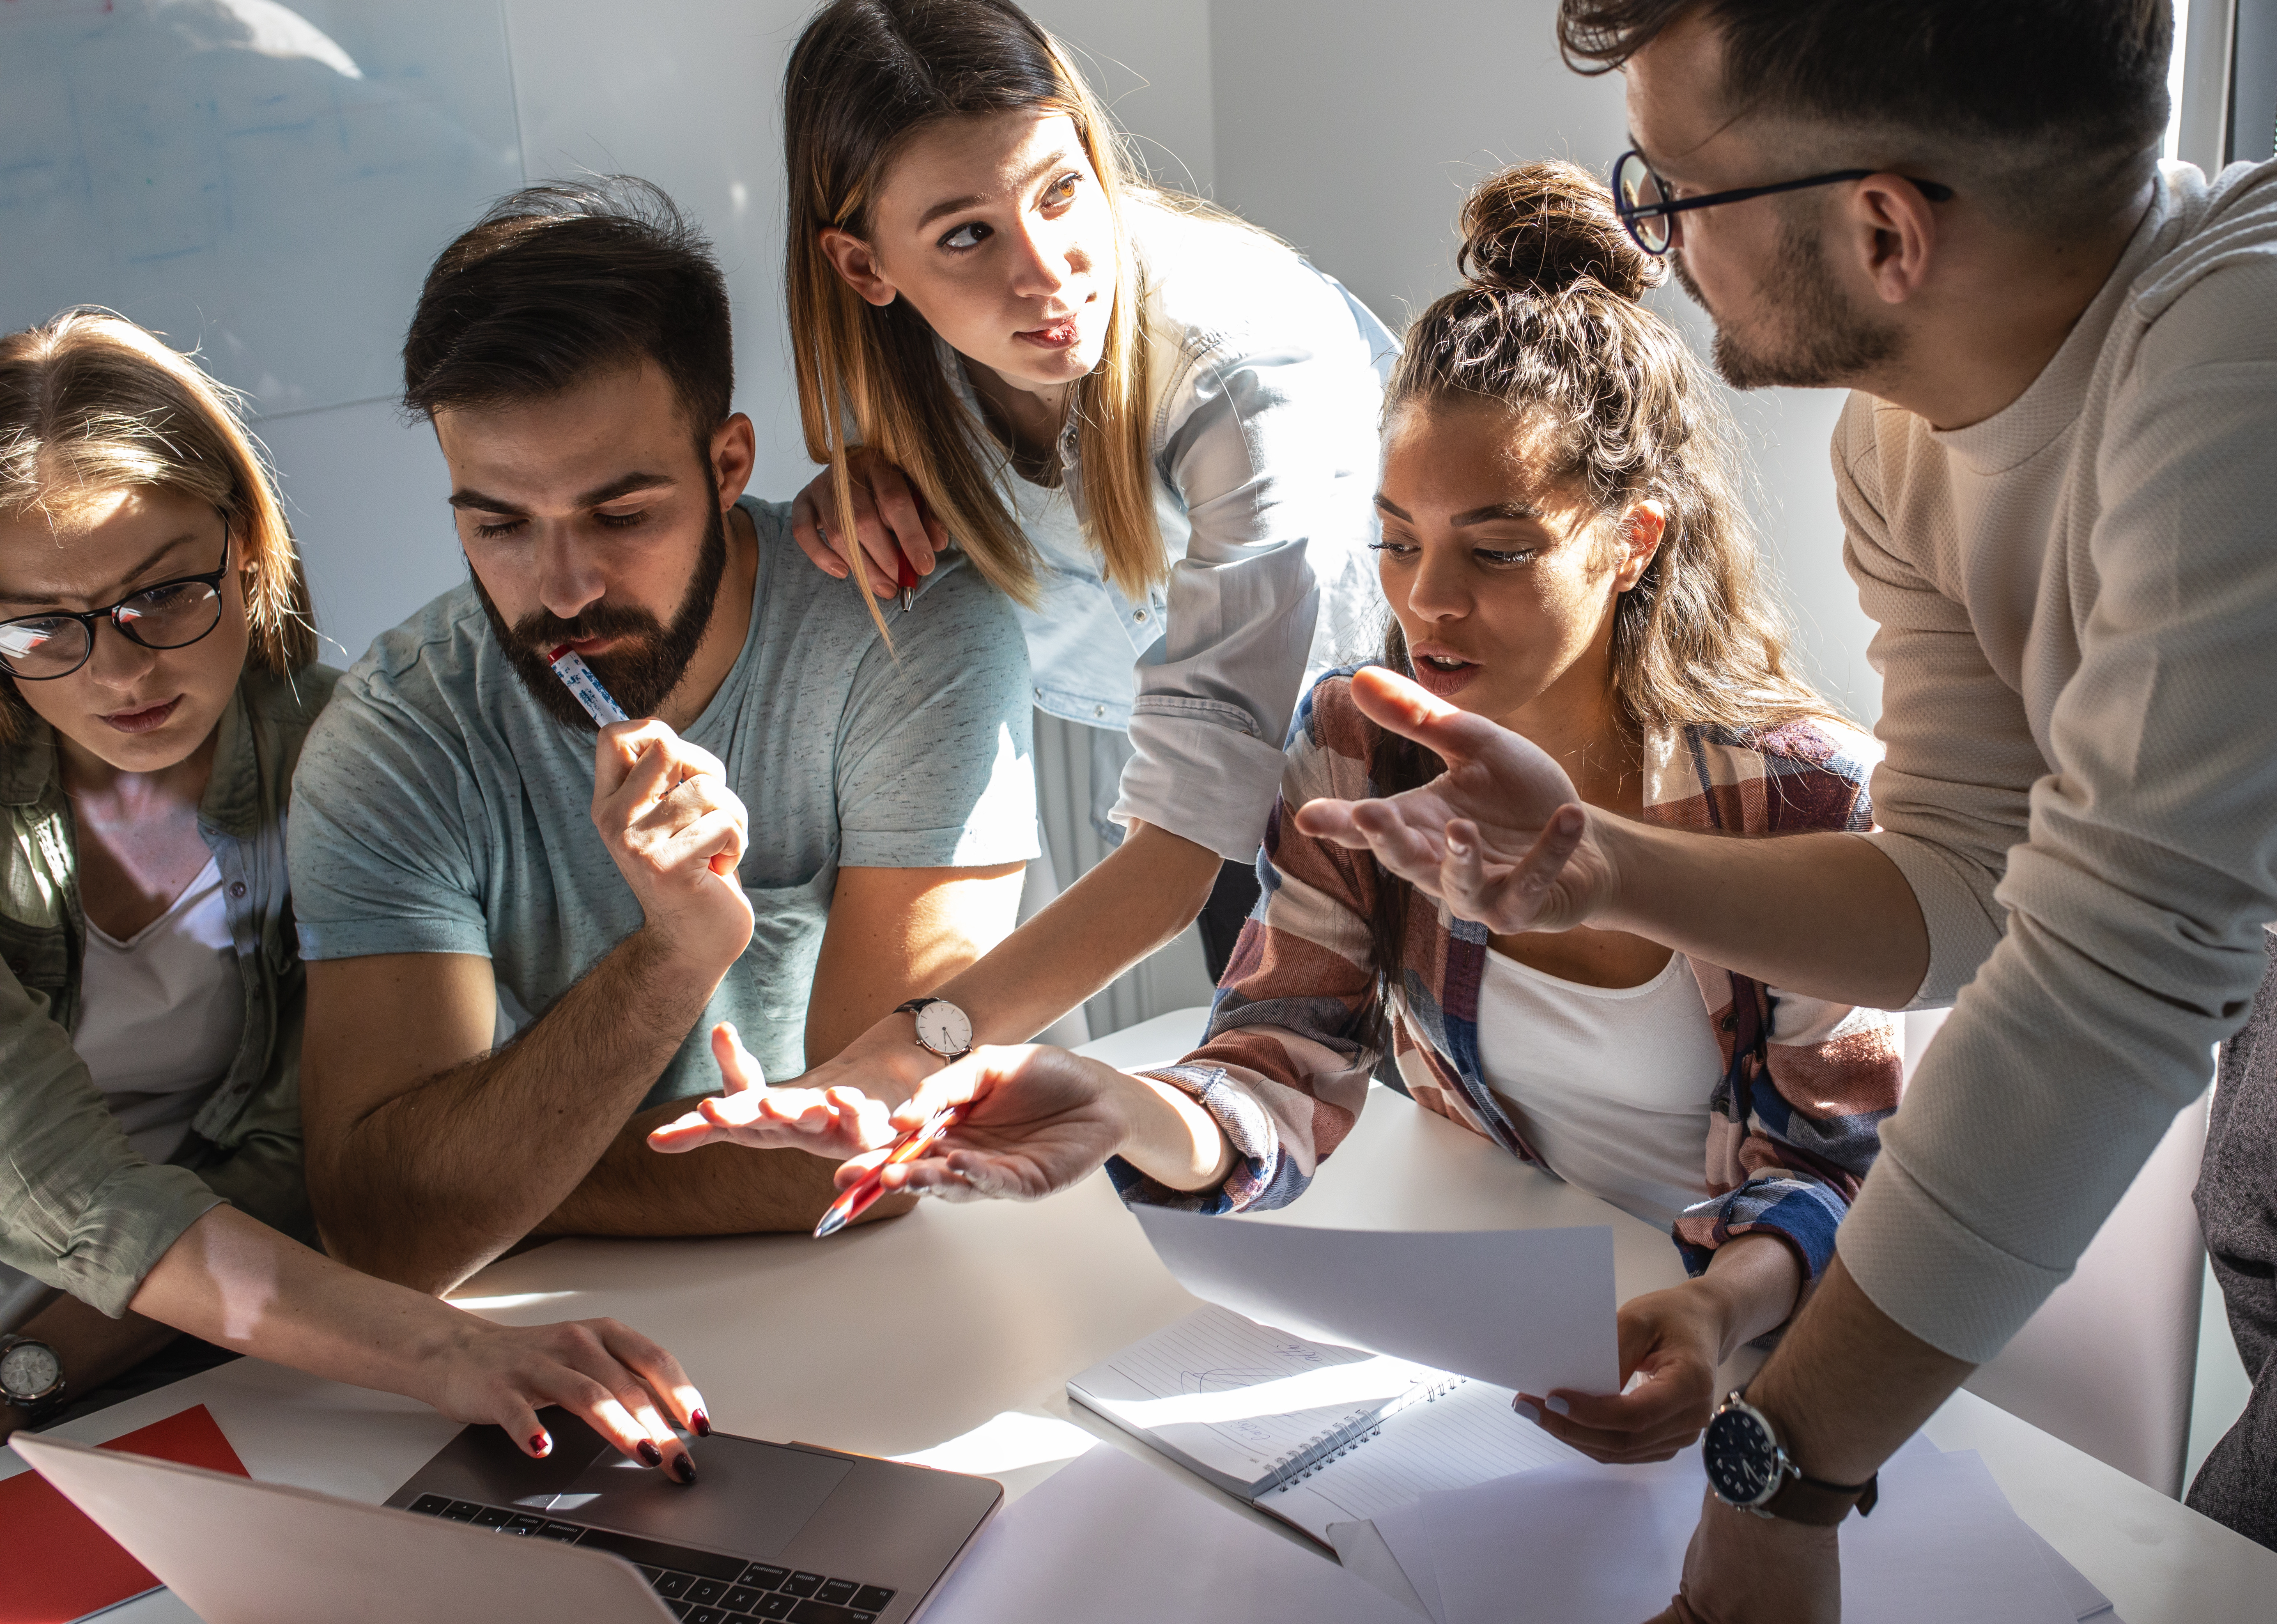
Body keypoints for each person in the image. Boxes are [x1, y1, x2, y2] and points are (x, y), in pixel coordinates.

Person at [1168, 2, 2274, 1615]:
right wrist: (1599, 865)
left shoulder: (2232, 374)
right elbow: (1959, 886)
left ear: (1881, 226)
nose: (1648, 242)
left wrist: (1788, 1474)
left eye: (1670, 188)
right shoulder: (1907, 440)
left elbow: (2101, 995)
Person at [658, 163, 1905, 1464]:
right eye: (1394, 540)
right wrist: (1112, 1101)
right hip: (1500, 1332)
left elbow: (1832, 1174)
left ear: (1633, 539)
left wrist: (1712, 1308)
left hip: (1750, 1364)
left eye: (1497, 550)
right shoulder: (1359, 743)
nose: (1427, 603)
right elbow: (1278, 1066)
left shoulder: (1801, 797)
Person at [289, 178, 1039, 1296]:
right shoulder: (396, 736)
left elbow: (878, 1150)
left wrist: (505, 1182)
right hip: (548, 1340)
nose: (564, 588)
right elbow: (387, 1234)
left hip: (879, 1301)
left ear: (729, 465)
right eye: (497, 524)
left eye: (622, 514)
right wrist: (675, 951)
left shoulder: (914, 633)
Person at [0, 310, 706, 1476]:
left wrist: (41, 1370)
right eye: (36, 624)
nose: (122, 670)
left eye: (162, 594)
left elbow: (312, 1165)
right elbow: (52, 1175)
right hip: (213, 1322)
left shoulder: (353, 746)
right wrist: (439, 1350)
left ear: (244, 543)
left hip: (220, 1335)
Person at [772, 0, 1393, 1044]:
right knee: (1276, 1102)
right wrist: (854, 484)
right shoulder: (894, 359)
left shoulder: (1238, 376)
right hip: (1231, 782)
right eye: (967, 234)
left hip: (1405, 745)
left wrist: (909, 1058)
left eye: (1062, 193)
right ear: (864, 268)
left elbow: (1178, 856)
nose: (1048, 273)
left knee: (1415, 1118)